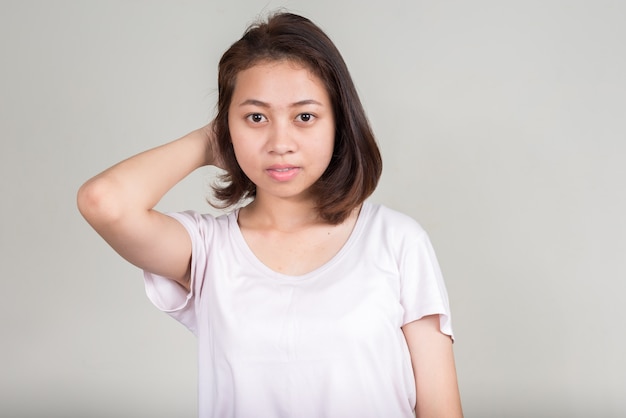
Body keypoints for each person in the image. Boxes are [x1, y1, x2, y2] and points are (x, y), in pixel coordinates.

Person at [77, 11, 463, 418]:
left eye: (305, 117)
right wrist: (209, 142)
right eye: (256, 117)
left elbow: (441, 410)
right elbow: (104, 202)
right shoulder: (208, 250)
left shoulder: (397, 241)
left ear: (339, 124)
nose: (281, 143)